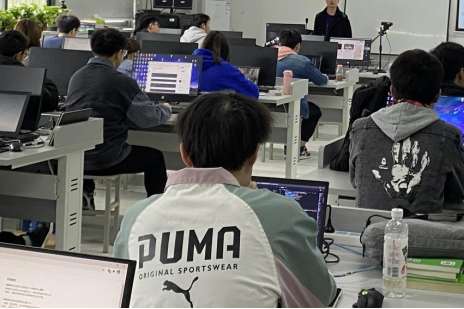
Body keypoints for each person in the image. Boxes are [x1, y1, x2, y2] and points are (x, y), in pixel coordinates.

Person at [114, 93, 337, 308]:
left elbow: (121, 295)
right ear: (254, 153)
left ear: (184, 154)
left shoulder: (136, 216)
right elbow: (320, 298)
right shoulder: (279, 215)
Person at [350, 50, 464, 214]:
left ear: (392, 91)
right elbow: (457, 194)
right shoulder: (449, 136)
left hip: (370, 228)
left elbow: (355, 182)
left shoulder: (360, 128)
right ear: (437, 95)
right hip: (423, 230)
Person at [64, 29, 171, 207]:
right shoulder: (122, 81)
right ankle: (155, 209)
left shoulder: (77, 76)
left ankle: (86, 192)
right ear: (119, 53)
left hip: (77, 155)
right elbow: (146, 119)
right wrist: (165, 109)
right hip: (106, 158)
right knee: (155, 158)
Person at [276, 30, 327, 159]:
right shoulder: (302, 62)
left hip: (272, 106)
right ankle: (299, 148)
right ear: (298, 46)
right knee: (315, 112)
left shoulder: (268, 57)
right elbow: (321, 81)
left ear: (280, 43)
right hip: (292, 107)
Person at [0, 30, 59, 112]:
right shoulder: (24, 77)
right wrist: (34, 75)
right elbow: (50, 101)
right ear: (18, 55)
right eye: (24, 55)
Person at [193, 31, 260, 99]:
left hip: (191, 105)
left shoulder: (189, 65)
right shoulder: (227, 70)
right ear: (225, 50)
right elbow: (253, 93)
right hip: (218, 106)